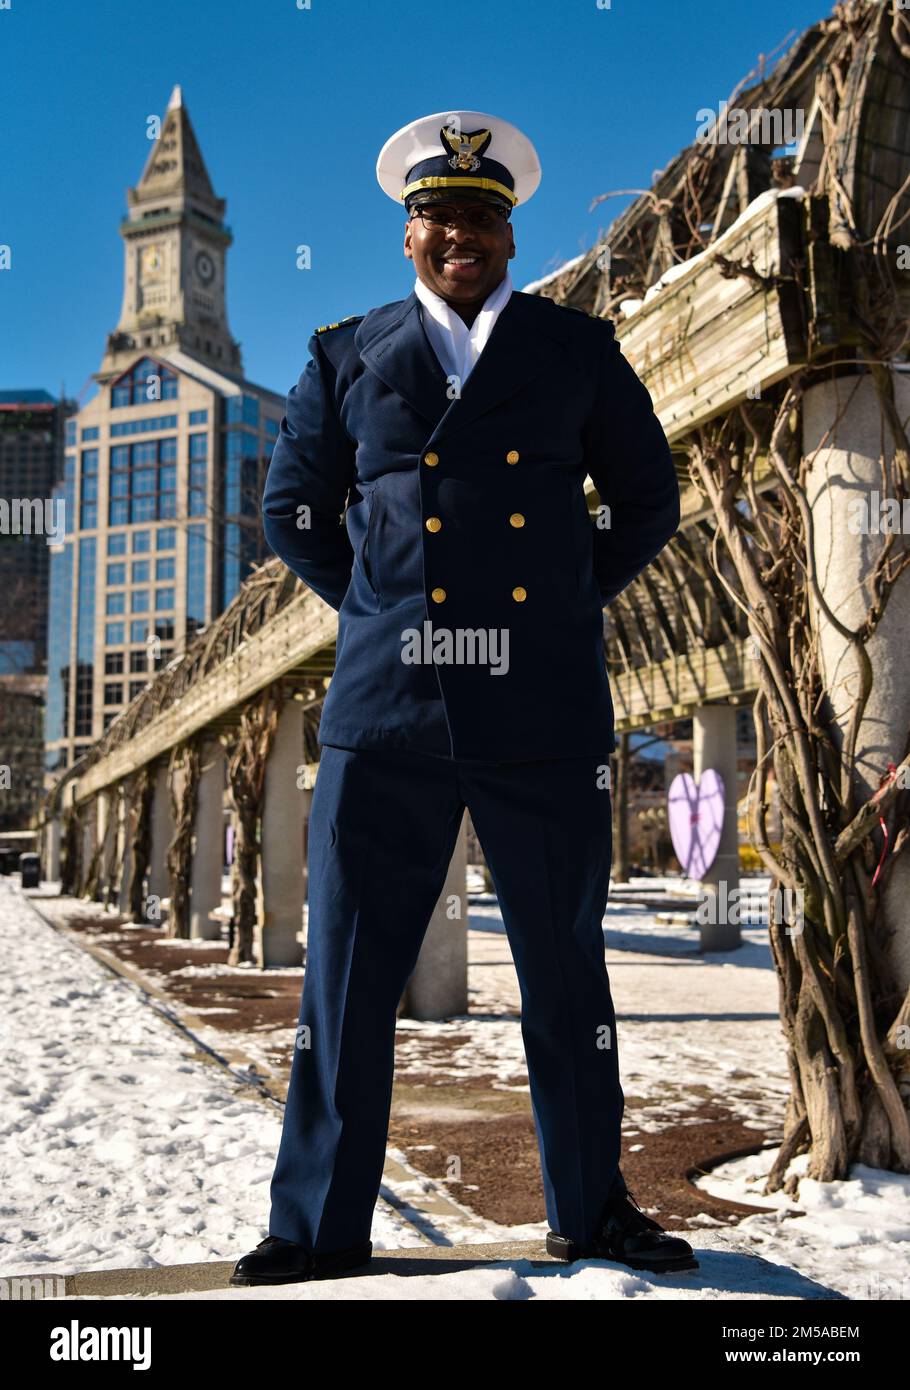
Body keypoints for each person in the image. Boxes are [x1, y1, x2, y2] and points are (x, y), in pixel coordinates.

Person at [231, 110, 694, 1286]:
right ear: (407, 234)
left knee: (564, 968)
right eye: (440, 216)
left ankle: (589, 1212)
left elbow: (646, 498)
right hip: (387, 713)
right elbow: (291, 513)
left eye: (483, 217)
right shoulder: (342, 354)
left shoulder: (575, 350)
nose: (462, 235)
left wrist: (556, 611)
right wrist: (389, 610)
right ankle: (316, 1228)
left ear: (510, 232)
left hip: (540, 711)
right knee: (344, 977)